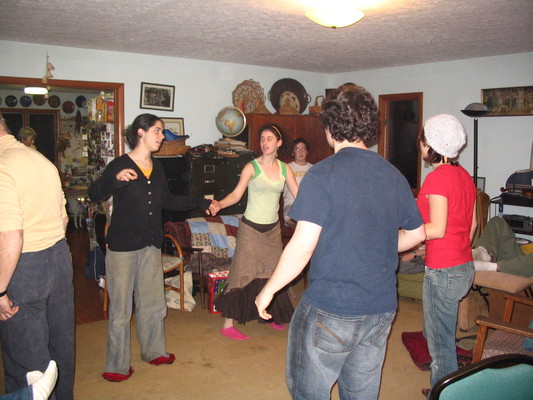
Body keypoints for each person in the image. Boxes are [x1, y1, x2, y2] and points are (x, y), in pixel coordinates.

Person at [255, 84, 425, 399]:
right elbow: (416, 235)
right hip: (381, 309)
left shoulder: (323, 175)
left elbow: (302, 247)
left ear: (330, 128)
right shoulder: (393, 175)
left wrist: (268, 290)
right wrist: (378, 242)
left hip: (331, 308)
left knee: (309, 392)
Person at [88, 113, 216, 382]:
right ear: (140, 133)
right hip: (122, 248)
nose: (161, 136)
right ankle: (116, 364)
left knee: (152, 303)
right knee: (121, 309)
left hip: (150, 246)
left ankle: (154, 351)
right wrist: (114, 180)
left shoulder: (156, 167)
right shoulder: (119, 164)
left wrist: (201, 202)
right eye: (157, 131)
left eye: (162, 132)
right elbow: (95, 193)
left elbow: (168, 201)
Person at [0, 112, 75, 399]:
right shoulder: (42, 161)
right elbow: (65, 220)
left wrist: (0, 290)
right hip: (59, 257)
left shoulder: (3, 166)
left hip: (25, 265)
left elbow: (10, 236)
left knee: (26, 355)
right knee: (61, 344)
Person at [212, 123, 299, 340]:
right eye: (262, 138)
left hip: (272, 231)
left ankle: (270, 315)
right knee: (241, 273)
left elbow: (300, 196)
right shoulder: (251, 166)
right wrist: (220, 204)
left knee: (272, 273)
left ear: (278, 143)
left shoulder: (284, 168)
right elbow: (236, 194)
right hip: (250, 229)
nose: (265, 142)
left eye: (269, 138)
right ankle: (228, 323)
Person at [416, 114, 477, 394]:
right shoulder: (465, 176)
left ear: (430, 145)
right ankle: (446, 386)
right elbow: (473, 225)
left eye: (422, 140)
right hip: (463, 264)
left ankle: (445, 393)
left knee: (440, 344)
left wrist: (406, 238)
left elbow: (436, 229)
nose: (420, 146)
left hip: (444, 269)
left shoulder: (437, 178)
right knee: (437, 333)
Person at [282, 138, 313, 228]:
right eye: (297, 149)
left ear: (307, 152)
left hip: (309, 205)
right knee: (290, 217)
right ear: (293, 153)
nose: (300, 152)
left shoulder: (313, 169)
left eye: (303, 149)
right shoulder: (287, 168)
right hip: (291, 204)